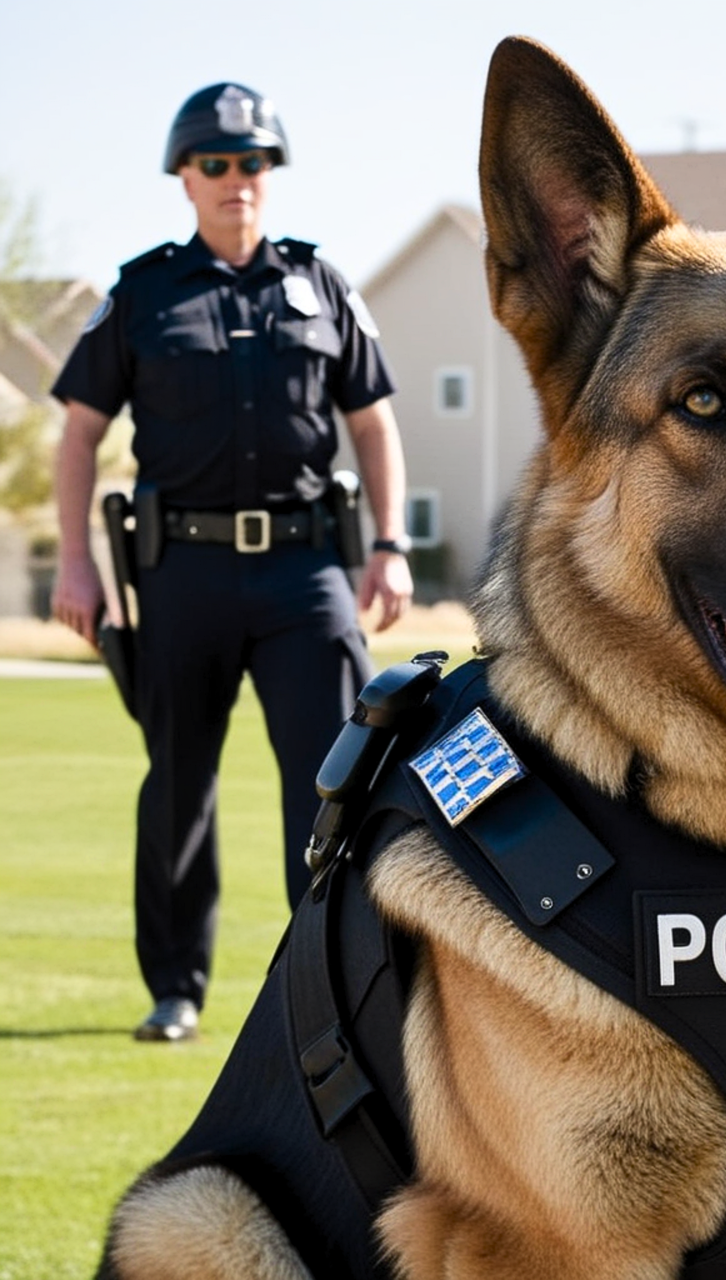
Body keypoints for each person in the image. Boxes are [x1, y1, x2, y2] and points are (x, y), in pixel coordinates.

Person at [50, 82, 414, 1042]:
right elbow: (79, 434)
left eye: (253, 162)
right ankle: (177, 989)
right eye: (215, 163)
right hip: (184, 575)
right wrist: (77, 565)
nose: (236, 180)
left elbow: (372, 423)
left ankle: (332, 986)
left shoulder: (321, 284)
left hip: (306, 574)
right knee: (179, 785)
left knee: (337, 782)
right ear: (184, 178)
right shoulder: (143, 292)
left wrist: (389, 544)